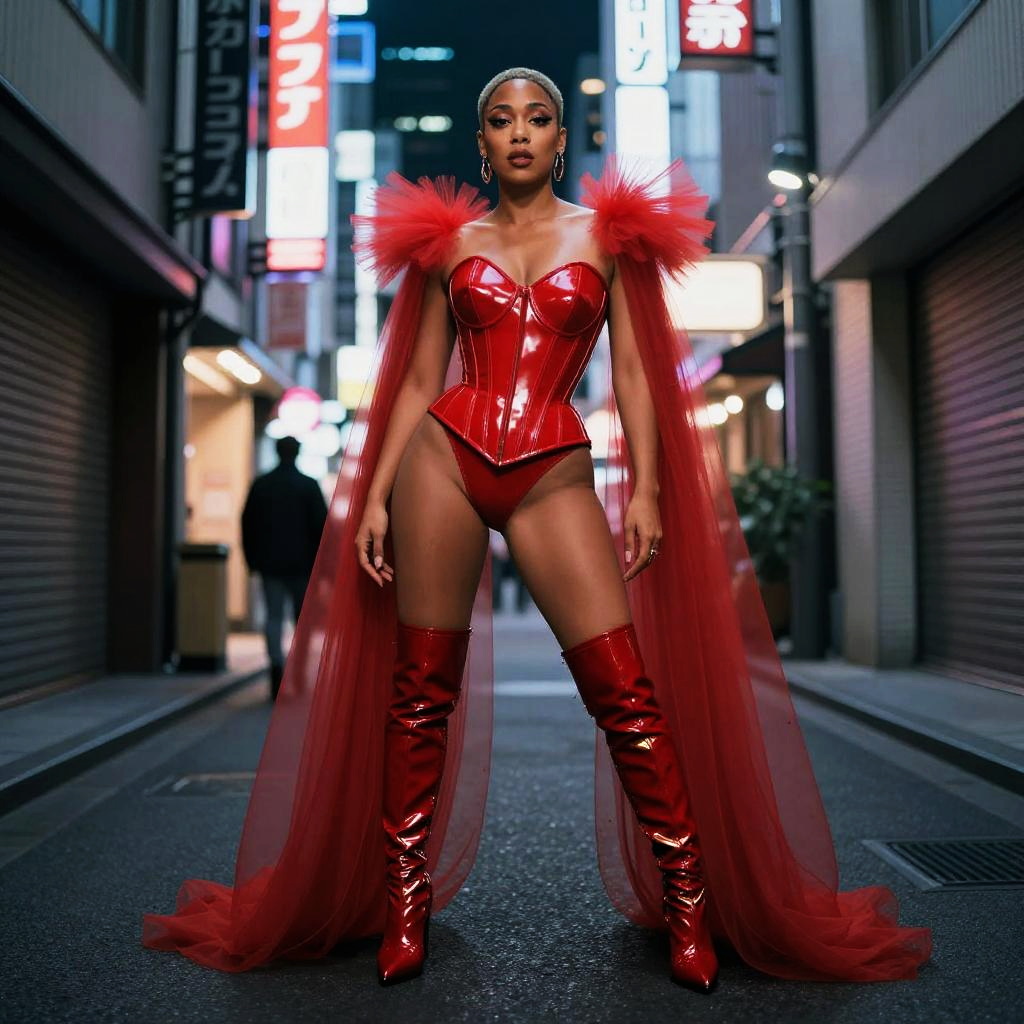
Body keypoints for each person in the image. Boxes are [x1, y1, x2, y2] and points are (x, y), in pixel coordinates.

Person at [142, 68, 931, 990]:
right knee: (418, 694)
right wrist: (377, 493)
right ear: (483, 142)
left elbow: (635, 374)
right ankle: (404, 903)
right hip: (444, 460)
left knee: (624, 693)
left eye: (539, 118)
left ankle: (689, 901)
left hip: (555, 472)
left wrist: (644, 493)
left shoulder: (608, 236)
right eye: (501, 120)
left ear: (563, 138)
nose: (520, 132)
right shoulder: (448, 244)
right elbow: (416, 379)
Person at [241, 435, 328, 699]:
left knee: (273, 618)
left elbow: (247, 524)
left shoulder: (262, 485)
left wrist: (251, 560)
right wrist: (323, 568)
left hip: (270, 564)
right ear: (297, 453)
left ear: (277, 452)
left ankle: (276, 669)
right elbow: (322, 529)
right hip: (303, 566)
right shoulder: (309, 486)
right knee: (303, 622)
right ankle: (299, 672)